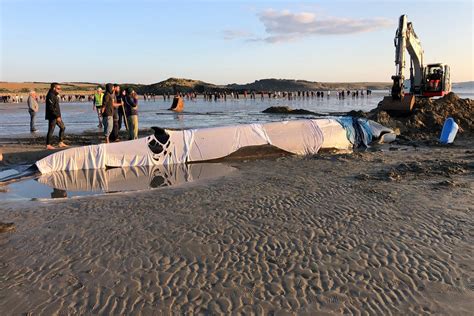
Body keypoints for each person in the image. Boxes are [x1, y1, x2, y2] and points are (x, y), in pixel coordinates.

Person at [45, 83, 67, 149]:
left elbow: (56, 107)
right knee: (51, 130)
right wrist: (57, 116)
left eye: (60, 88)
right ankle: (48, 145)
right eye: (58, 88)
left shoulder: (55, 95)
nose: (59, 90)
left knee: (63, 127)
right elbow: (51, 108)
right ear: (54, 88)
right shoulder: (50, 95)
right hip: (52, 116)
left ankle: (60, 142)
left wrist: (58, 116)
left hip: (56, 115)